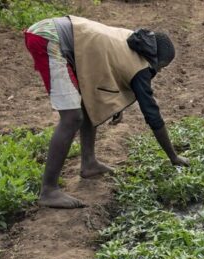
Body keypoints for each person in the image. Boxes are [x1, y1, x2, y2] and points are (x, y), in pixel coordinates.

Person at [24, 16, 189, 208]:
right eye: (161, 67)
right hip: (49, 39)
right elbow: (152, 114)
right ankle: (49, 190)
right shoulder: (142, 67)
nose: (157, 72)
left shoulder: (134, 41)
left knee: (89, 106)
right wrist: (173, 157)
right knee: (72, 118)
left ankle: (89, 163)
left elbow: (105, 67)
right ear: (155, 60)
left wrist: (114, 102)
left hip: (57, 33)